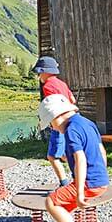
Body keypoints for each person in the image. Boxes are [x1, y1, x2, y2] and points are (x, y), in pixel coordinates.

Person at [37, 94, 109, 222]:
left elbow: (80, 159)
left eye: (51, 124)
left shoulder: (71, 130)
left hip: (87, 182)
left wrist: (79, 192)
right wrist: (103, 175)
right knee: (63, 208)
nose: (53, 128)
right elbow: (101, 151)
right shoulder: (88, 123)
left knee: (51, 202)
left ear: (57, 116)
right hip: (100, 180)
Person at [32, 56, 77, 187]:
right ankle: (78, 178)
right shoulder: (62, 83)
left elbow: (53, 107)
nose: (38, 76)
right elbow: (72, 100)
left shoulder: (48, 86)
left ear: (45, 72)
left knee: (52, 157)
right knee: (64, 155)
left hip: (58, 125)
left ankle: (64, 184)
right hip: (70, 122)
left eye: (39, 73)